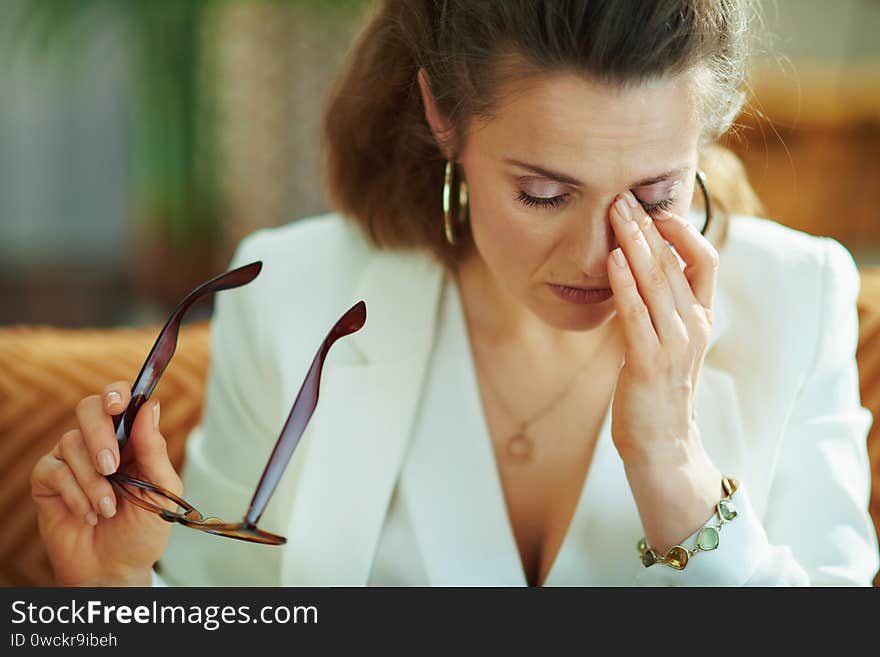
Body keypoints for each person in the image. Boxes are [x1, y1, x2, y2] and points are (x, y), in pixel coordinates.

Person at [31, 0, 879, 587]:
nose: (596, 253)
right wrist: (113, 593)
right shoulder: (290, 299)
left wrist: (677, 474)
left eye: (655, 195)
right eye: (543, 193)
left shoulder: (799, 302)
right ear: (445, 117)